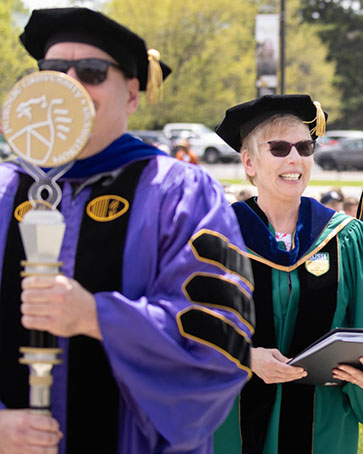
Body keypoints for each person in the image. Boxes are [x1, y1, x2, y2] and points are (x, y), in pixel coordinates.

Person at [0, 7, 255, 454]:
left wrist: (94, 317)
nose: (71, 85)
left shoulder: (180, 193)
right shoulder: (5, 189)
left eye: (93, 72)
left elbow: (219, 344)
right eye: (55, 71)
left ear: (133, 94)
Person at [213, 94, 363, 454]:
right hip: (232, 424)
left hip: (323, 428)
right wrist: (245, 358)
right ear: (248, 162)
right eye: (279, 148)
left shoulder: (344, 239)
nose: (295, 158)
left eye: (305, 147)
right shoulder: (216, 239)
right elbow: (181, 331)